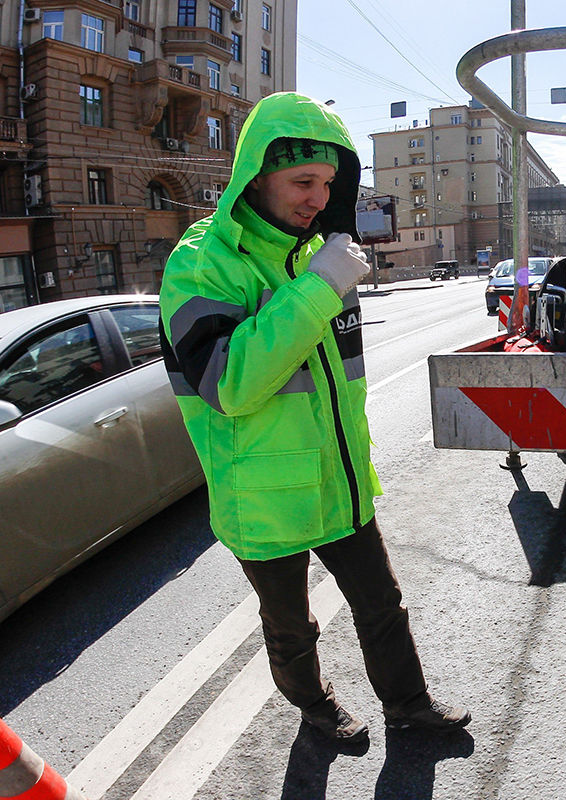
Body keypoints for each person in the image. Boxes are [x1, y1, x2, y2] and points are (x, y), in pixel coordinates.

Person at [159, 92, 469, 744]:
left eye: (328, 184)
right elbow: (228, 384)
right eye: (303, 181)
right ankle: (315, 707)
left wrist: (318, 276)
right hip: (263, 494)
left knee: (382, 605)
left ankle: (407, 704)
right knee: (291, 627)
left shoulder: (313, 254)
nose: (317, 199)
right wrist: (319, 287)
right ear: (256, 175)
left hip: (337, 478)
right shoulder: (200, 264)